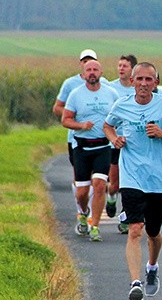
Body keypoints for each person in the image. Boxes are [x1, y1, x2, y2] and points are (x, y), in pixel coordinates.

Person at [103, 62, 162, 300]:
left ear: (156, 82)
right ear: (132, 81)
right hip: (132, 176)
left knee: (153, 232)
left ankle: (152, 266)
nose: (143, 84)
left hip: (159, 179)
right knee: (135, 229)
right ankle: (135, 283)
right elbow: (108, 125)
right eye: (139, 79)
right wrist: (114, 139)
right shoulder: (122, 105)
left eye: (148, 79)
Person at [61, 60, 119, 242]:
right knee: (82, 192)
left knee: (100, 185)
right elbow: (65, 120)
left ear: (101, 72)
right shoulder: (76, 94)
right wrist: (81, 125)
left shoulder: (111, 93)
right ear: (83, 73)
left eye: (95, 69)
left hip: (103, 146)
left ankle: (95, 226)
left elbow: (122, 115)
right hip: (82, 146)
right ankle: (83, 213)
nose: (92, 73)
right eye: (89, 70)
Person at [52, 49, 108, 219]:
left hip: (102, 140)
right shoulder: (71, 84)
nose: (89, 67)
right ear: (81, 65)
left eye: (92, 63)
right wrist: (78, 117)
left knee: (98, 182)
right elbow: (58, 109)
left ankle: (93, 217)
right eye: (85, 62)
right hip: (76, 139)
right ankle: (81, 209)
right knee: (82, 181)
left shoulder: (105, 85)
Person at [106, 54, 138, 228]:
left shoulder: (137, 89)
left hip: (133, 145)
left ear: (132, 69)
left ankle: (126, 217)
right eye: (119, 65)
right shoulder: (110, 89)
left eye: (125, 66)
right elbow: (108, 120)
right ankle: (111, 198)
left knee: (129, 183)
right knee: (115, 184)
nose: (121, 68)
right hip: (116, 143)